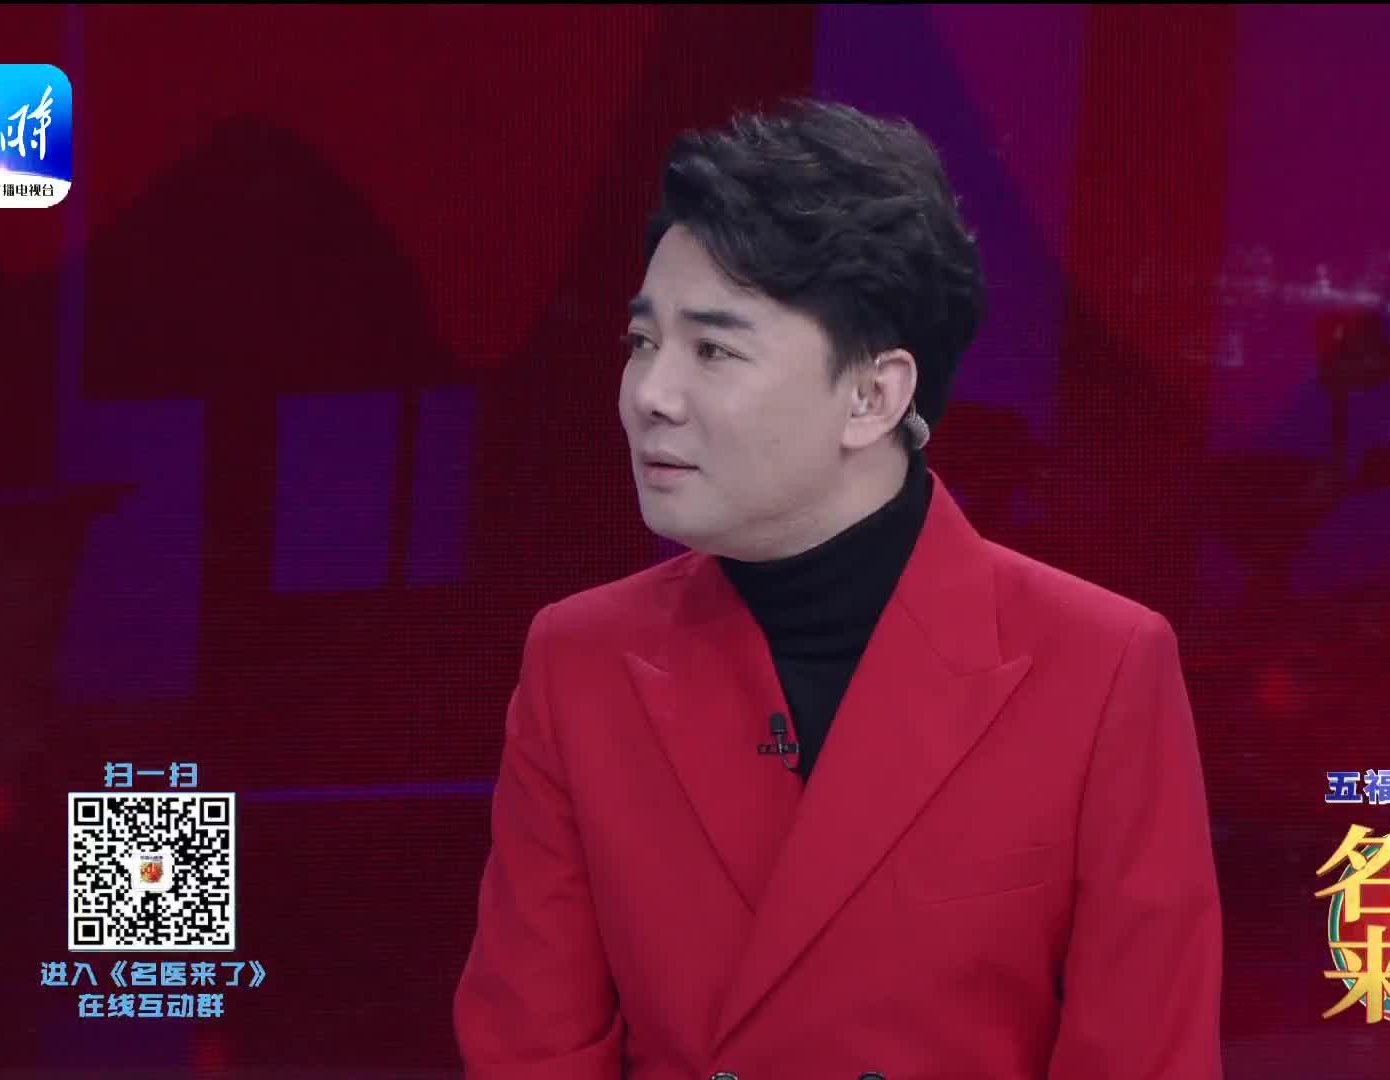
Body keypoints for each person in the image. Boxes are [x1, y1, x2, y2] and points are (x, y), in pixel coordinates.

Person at [454, 98, 1223, 1079]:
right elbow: (530, 1049)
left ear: (872, 396)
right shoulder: (578, 661)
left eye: (713, 350)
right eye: (642, 342)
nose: (649, 395)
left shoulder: (1101, 667)